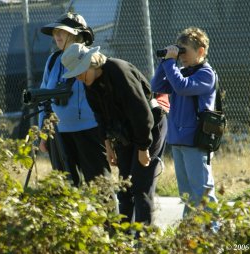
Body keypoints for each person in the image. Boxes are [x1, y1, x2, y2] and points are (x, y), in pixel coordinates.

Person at [61, 43, 168, 227]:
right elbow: (100, 116)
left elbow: (142, 113)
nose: (78, 77)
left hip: (148, 129)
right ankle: (123, 239)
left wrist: (143, 148)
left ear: (90, 63)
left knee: (140, 187)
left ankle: (144, 241)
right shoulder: (89, 83)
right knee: (124, 187)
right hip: (124, 133)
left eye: (79, 71)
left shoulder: (119, 71)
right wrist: (108, 145)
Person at [151, 27, 218, 218]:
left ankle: (213, 233)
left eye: (184, 51)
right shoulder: (180, 71)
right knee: (187, 194)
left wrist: (171, 63)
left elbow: (181, 87)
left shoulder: (206, 74)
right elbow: (157, 86)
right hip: (179, 139)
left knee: (202, 192)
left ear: (201, 51)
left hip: (195, 140)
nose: (181, 56)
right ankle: (190, 233)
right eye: (179, 51)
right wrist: (165, 62)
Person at [38, 12, 110, 186]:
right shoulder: (53, 60)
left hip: (91, 131)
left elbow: (106, 98)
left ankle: (106, 214)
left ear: (77, 34)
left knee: (100, 187)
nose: (57, 35)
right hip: (59, 133)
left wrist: (108, 135)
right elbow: (43, 98)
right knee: (64, 189)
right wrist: (43, 134)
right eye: (55, 32)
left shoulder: (93, 59)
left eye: (62, 31)